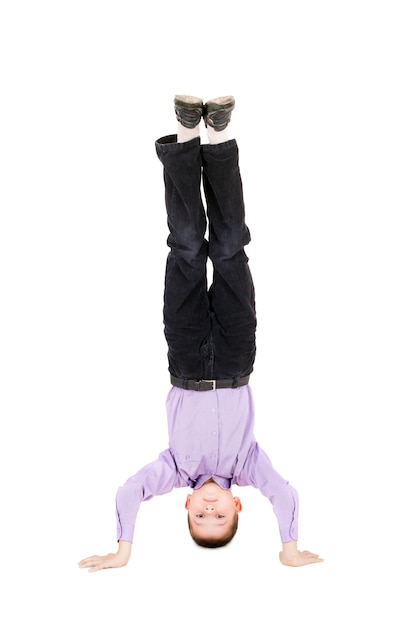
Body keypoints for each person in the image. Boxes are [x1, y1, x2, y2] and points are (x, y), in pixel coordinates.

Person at [78, 95, 323, 572]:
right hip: (235, 357)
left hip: (186, 357)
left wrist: (123, 549)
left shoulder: (173, 469)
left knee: (187, 248)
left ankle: (187, 133)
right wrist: (288, 546)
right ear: (238, 507)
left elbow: (129, 491)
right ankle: (221, 137)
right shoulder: (248, 465)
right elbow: (284, 492)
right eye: (221, 517)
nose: (211, 510)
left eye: (201, 518)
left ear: (186, 508)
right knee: (230, 247)